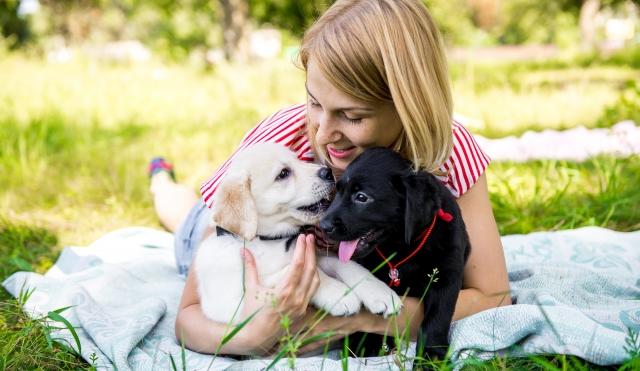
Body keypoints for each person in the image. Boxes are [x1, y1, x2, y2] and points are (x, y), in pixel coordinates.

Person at [150, 0, 511, 356]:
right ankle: (161, 179)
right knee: (185, 217)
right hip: (239, 231)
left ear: (408, 105)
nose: (323, 133)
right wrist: (250, 337)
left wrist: (359, 319)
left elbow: (493, 298)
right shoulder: (282, 143)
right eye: (314, 102)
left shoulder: (448, 154)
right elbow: (189, 318)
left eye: (351, 116)